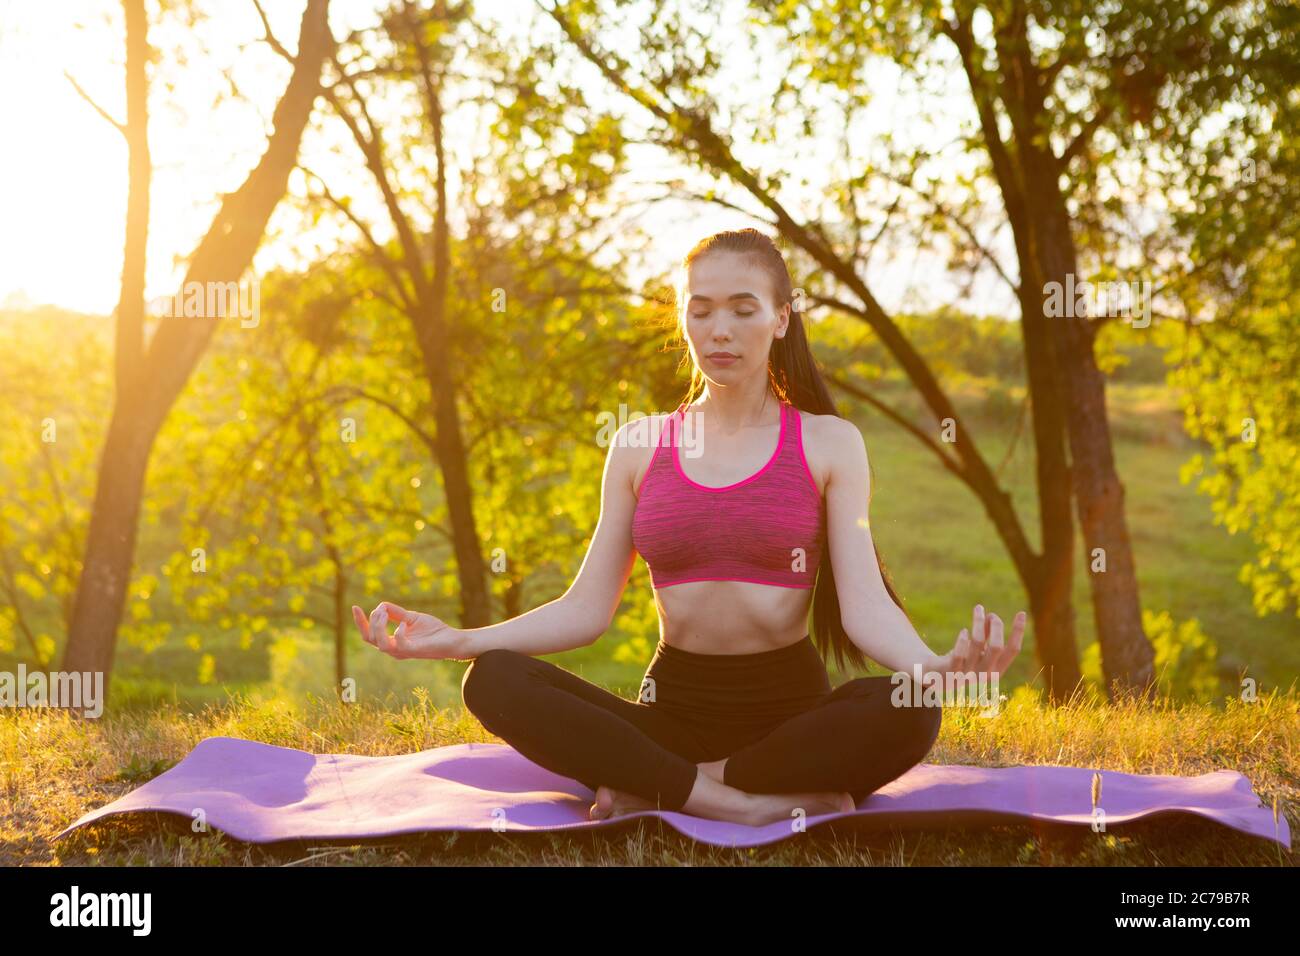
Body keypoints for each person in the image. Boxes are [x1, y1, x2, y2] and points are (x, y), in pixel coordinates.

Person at [352, 227, 1024, 827]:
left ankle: (663, 790)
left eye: (742, 309)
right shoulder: (639, 445)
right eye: (699, 310)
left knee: (910, 706)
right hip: (670, 717)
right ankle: (739, 802)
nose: (719, 330)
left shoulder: (830, 443)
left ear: (781, 318)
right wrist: (458, 641)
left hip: (791, 720)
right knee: (492, 679)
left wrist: (933, 669)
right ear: (683, 321)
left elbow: (865, 607)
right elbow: (587, 609)